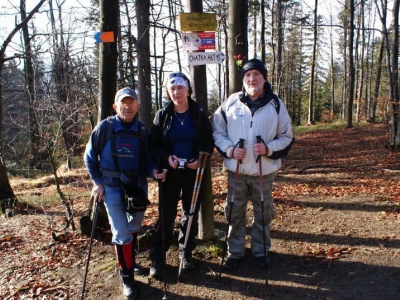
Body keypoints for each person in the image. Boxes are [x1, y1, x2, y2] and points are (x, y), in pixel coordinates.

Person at [84, 87, 167, 300]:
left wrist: (154, 171)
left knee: (134, 227)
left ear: (138, 105)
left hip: (137, 187)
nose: (128, 106)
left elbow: (148, 159)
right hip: (111, 188)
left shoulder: (141, 130)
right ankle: (127, 278)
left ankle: (129, 261)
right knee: (121, 232)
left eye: (132, 102)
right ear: (115, 106)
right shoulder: (105, 128)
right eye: (123, 102)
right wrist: (97, 183)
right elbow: (90, 157)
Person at [212, 59, 294, 271]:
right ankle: (235, 252)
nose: (252, 79)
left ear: (264, 78)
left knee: (263, 213)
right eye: (248, 75)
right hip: (236, 170)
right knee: (234, 211)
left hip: (263, 171)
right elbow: (217, 131)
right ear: (243, 80)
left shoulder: (275, 104)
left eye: (256, 74)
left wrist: (268, 149)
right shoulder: (231, 103)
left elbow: (287, 136)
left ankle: (261, 250)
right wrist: (230, 150)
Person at [148, 72, 214, 277]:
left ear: (188, 89)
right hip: (170, 172)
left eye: (180, 87)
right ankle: (158, 258)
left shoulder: (199, 113)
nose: (176, 92)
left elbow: (208, 142)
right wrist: (167, 157)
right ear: (168, 91)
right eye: (172, 88)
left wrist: (200, 159)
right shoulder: (163, 114)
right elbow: (154, 144)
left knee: (190, 214)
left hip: (193, 173)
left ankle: (186, 252)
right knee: (166, 216)